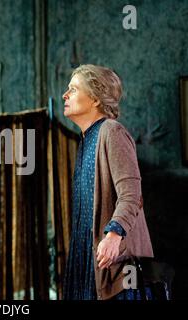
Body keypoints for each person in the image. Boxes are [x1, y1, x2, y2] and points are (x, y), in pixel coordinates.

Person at [62, 64, 154, 300]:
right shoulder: (86, 140)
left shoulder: (111, 131)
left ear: (94, 98)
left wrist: (113, 236)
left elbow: (131, 194)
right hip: (86, 262)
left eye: (73, 89)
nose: (65, 95)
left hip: (113, 266)